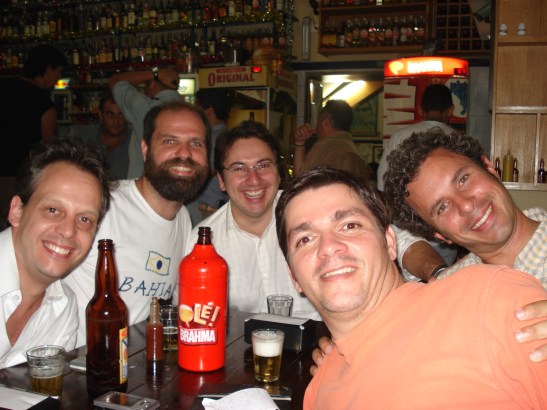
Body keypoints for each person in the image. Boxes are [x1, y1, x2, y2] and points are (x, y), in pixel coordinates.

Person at [275, 167, 547, 408]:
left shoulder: (490, 300)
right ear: (294, 276)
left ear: (390, 242)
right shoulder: (319, 388)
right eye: (305, 239)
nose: (328, 247)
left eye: (349, 225)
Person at [383, 128, 547, 361]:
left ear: (489, 168)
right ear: (440, 235)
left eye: (463, 179)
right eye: (442, 207)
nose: (466, 205)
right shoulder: (447, 297)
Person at [63, 101, 210, 347]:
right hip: (81, 360)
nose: (184, 153)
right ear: (145, 149)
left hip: (135, 361)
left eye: (196, 143)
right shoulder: (102, 205)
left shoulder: (183, 219)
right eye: (169, 141)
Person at [179, 121, 320, 319]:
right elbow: (193, 318)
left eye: (263, 165)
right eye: (239, 168)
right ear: (221, 180)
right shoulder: (202, 244)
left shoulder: (315, 217)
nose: (254, 179)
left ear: (279, 173)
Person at [0, 139, 111, 368]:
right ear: (17, 211)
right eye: (53, 210)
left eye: (84, 219)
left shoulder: (63, 307)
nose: (68, 231)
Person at [379, 83, 459, 282]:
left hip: (404, 234)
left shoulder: (398, 137)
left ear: (421, 110)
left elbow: (382, 188)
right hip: (446, 233)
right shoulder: (458, 139)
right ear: (450, 110)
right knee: (442, 284)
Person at [0, 44, 67, 221]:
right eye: (58, 72)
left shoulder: (4, 88)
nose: (58, 78)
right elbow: (50, 146)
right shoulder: (44, 104)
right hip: (19, 179)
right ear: (48, 69)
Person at [108, 67, 181, 179]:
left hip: (145, 184)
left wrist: (155, 74)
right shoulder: (188, 111)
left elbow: (115, 82)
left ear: (151, 85)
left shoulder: (145, 108)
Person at [186, 89, 230, 225]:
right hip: (220, 209)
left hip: (205, 212)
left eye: (197, 109)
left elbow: (203, 171)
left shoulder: (210, 140)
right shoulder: (229, 136)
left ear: (209, 111)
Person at [293, 99, 367, 180]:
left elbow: (301, 179)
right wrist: (300, 143)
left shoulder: (325, 147)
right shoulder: (354, 150)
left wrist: (299, 144)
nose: (315, 128)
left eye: (318, 120)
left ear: (325, 122)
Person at [76, 91, 131, 180]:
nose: (116, 121)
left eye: (121, 115)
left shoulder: (136, 142)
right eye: (110, 114)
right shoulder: (85, 138)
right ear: (100, 115)